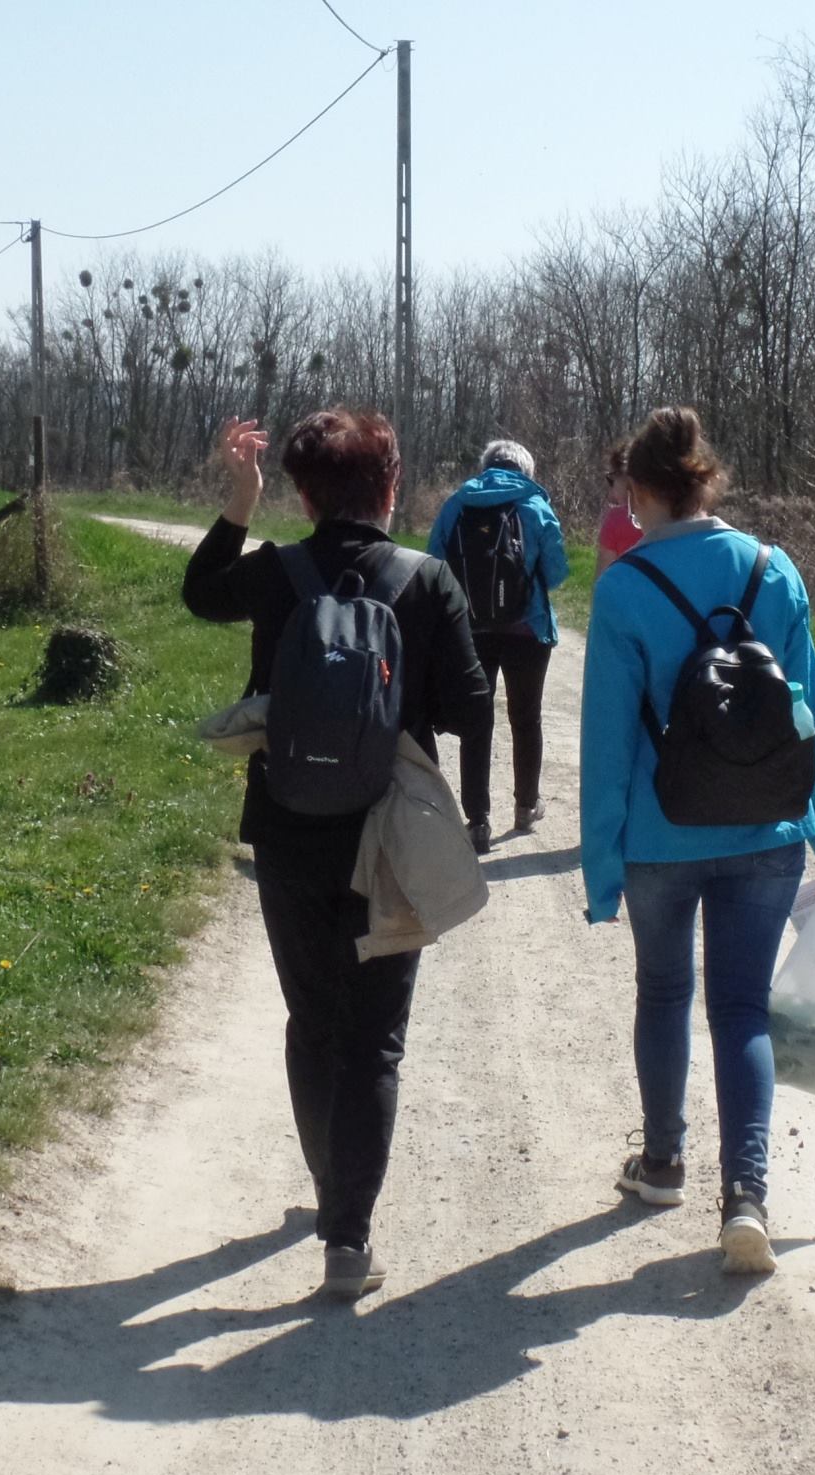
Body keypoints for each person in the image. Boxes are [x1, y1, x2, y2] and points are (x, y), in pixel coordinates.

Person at [183, 411, 490, 1299]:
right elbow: (471, 708)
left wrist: (239, 502)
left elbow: (200, 593)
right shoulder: (426, 580)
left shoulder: (276, 573)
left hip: (285, 827)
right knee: (375, 1041)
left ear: (304, 493)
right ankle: (347, 1238)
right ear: (391, 486)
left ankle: (329, 1185)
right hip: (385, 837)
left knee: (313, 1023)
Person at [579, 406, 815, 1276]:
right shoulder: (775, 570)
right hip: (765, 829)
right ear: (705, 480)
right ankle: (746, 1197)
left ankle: (662, 1163)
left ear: (638, 489)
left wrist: (601, 865)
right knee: (740, 1008)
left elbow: (606, 742)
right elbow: (807, 715)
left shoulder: (624, 588)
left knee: (663, 993)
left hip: (659, 835)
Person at [426, 439, 570, 853]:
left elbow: (434, 562)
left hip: (470, 628)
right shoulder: (535, 504)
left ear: (486, 466)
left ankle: (477, 821)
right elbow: (557, 571)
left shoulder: (457, 503)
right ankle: (526, 807)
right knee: (526, 717)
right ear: (526, 470)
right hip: (528, 629)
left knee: (477, 719)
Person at [593, 442, 644, 580]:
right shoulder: (670, 516)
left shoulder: (616, 519)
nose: (611, 491)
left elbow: (602, 577)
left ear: (625, 477)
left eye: (611, 480)